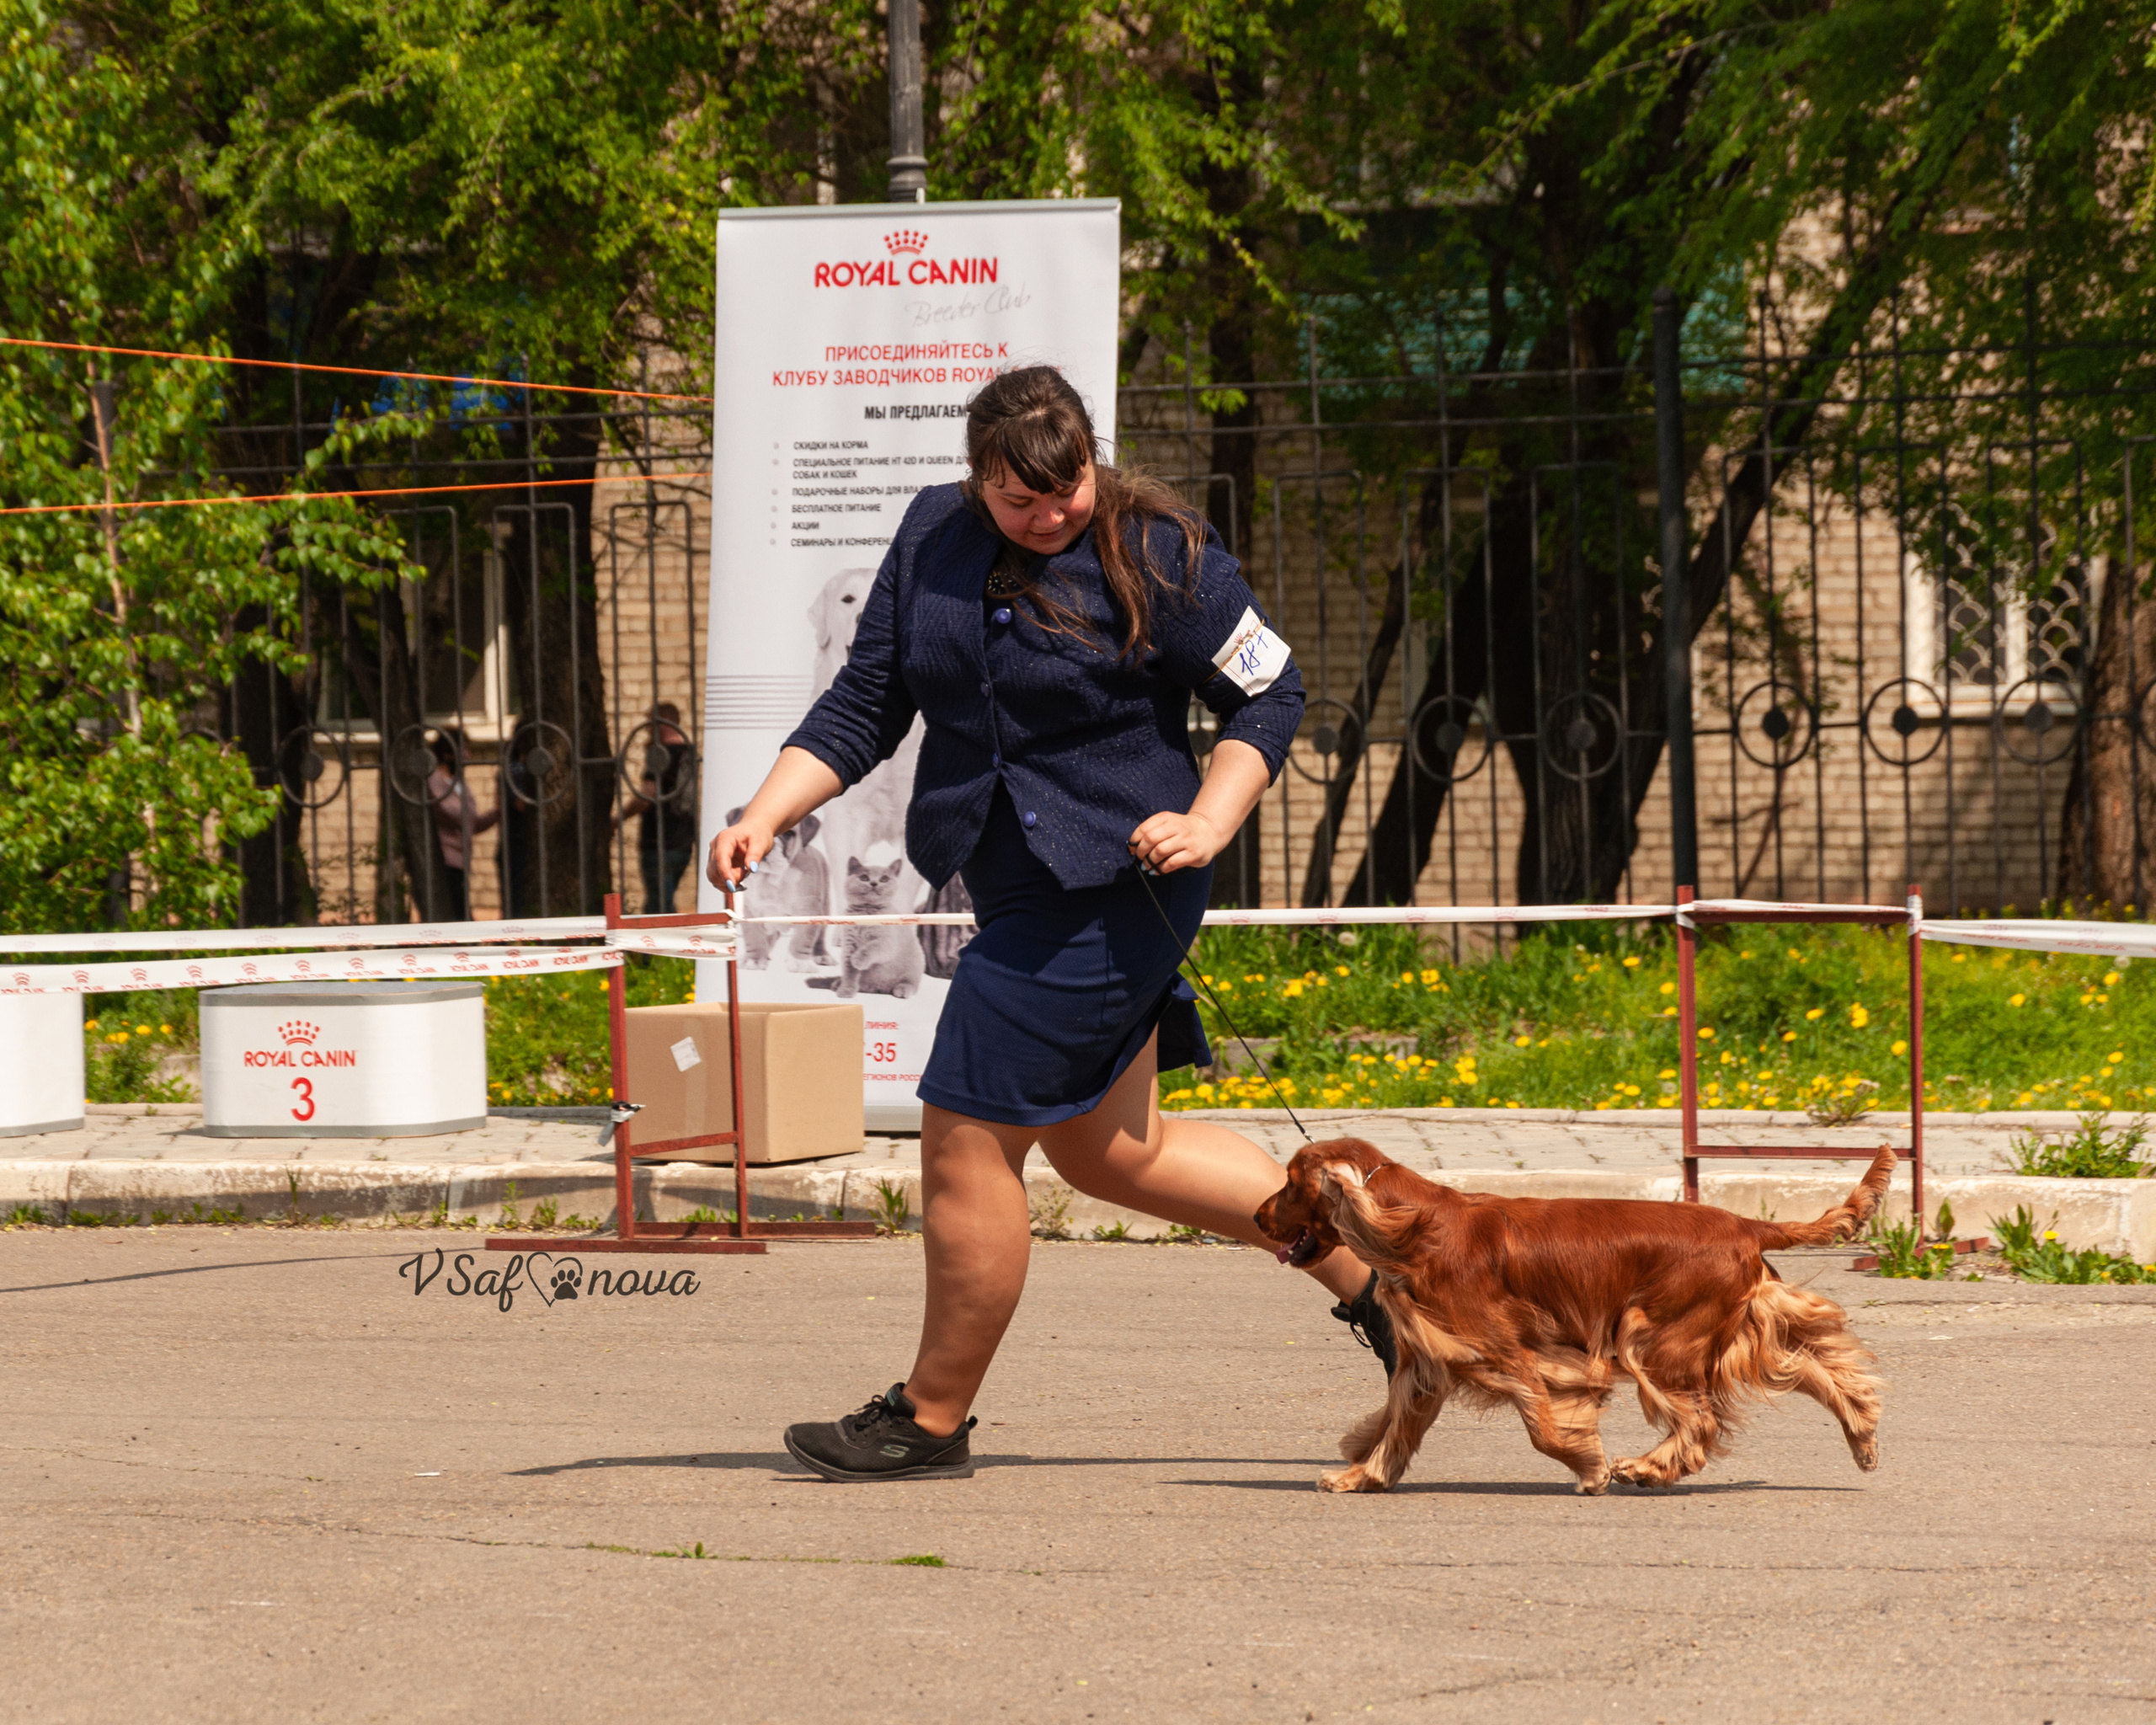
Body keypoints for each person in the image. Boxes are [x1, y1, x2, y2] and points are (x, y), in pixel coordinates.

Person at [707, 366, 1395, 1483]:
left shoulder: (1157, 548)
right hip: (1013, 883)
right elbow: (869, 700)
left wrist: (1210, 815)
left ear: (1090, 457)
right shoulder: (933, 532)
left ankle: (930, 1420)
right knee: (1118, 1155)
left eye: (1068, 486)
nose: (1054, 512)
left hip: (1118, 884)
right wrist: (765, 812)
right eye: (1024, 500)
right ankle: (1385, 1297)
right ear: (978, 482)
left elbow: (1270, 693)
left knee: (965, 1134)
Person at [617, 702, 699, 914]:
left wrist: (619, 817)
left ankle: (656, 947)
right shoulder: (688, 753)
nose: (647, 732)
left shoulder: (660, 754)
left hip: (659, 842)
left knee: (658, 908)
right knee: (664, 902)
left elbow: (646, 796)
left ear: (662, 724)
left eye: (650, 726)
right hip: (683, 841)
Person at [424, 729, 496, 921]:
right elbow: (449, 812)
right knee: (460, 916)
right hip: (446, 859)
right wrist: (469, 817)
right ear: (448, 753)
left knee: (460, 915)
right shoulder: (435, 781)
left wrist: (496, 813)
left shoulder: (459, 783)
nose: (469, 755)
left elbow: (471, 823)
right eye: (464, 749)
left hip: (461, 860)